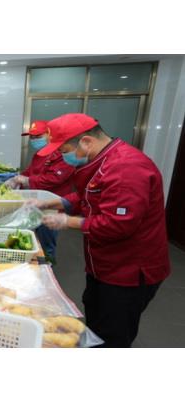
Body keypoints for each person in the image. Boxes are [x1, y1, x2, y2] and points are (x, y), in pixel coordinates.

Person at [31, 113, 170, 347]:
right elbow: (88, 195)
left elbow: (118, 224)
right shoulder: (100, 161)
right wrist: (50, 203)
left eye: (64, 150)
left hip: (129, 270)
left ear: (86, 142)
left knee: (113, 334)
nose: (63, 156)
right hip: (104, 263)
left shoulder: (126, 168)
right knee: (95, 320)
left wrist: (67, 221)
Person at [4, 120, 75, 262]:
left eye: (38, 136)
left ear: (49, 135)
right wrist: (17, 178)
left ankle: (48, 266)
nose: (34, 140)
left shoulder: (62, 154)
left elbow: (55, 178)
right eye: (32, 137)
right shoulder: (40, 154)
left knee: (46, 241)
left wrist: (27, 180)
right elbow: (30, 171)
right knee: (34, 238)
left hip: (52, 205)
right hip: (35, 202)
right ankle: (36, 262)